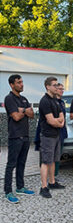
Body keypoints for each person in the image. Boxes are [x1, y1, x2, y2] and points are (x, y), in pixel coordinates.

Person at [4, 74, 36, 203]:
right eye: (18, 82)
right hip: (15, 136)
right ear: (12, 85)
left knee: (22, 163)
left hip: (25, 136)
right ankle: (8, 191)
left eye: (22, 82)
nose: (21, 84)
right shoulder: (9, 98)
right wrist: (25, 111)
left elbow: (32, 114)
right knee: (11, 164)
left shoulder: (24, 99)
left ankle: (20, 187)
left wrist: (21, 110)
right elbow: (16, 117)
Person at [38, 77, 65, 198]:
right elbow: (50, 121)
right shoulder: (45, 101)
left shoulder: (55, 100)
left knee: (54, 160)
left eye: (57, 85)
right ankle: (44, 187)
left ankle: (52, 182)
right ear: (47, 86)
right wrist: (58, 122)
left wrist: (58, 121)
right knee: (45, 161)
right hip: (47, 136)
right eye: (54, 85)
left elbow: (61, 116)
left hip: (56, 134)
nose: (57, 87)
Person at [54, 83, 67, 177]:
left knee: (58, 155)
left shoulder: (62, 102)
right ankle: (52, 176)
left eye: (63, 89)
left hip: (62, 132)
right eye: (60, 89)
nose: (62, 90)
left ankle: (56, 175)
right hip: (54, 132)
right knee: (53, 156)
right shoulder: (52, 101)